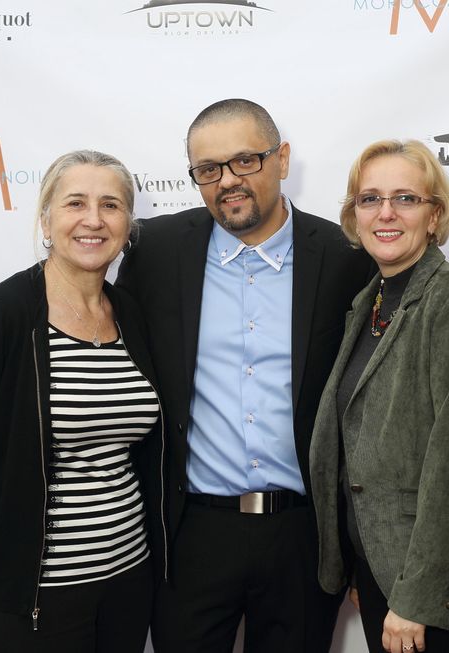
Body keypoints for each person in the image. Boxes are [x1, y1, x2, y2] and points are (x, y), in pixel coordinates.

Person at [115, 98, 375, 652]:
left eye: (245, 161)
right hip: (191, 533)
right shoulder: (155, 251)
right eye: (208, 170)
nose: (227, 181)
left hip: (302, 535)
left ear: (281, 159)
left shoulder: (344, 256)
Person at [0, 150, 161, 653]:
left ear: (128, 224)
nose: (93, 219)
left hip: (129, 581)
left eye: (110, 205)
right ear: (46, 219)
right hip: (32, 598)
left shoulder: (131, 314)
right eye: (75, 203)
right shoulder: (2, 314)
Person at [309, 139, 449, 653]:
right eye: (370, 199)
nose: (385, 213)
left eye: (405, 199)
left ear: (434, 215)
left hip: (428, 588)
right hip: (377, 564)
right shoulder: (369, 300)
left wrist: (416, 597)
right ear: (354, 215)